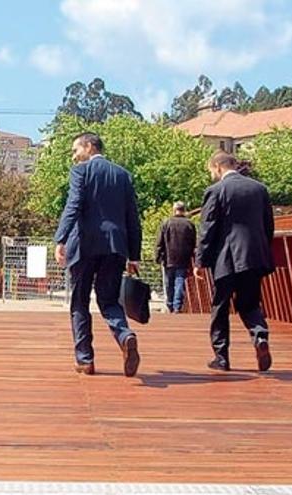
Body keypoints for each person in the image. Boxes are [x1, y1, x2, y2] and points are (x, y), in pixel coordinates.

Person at [54, 132, 142, 377]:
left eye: (75, 150)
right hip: (116, 246)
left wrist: (60, 239)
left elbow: (74, 204)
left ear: (89, 146)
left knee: (80, 301)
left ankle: (85, 359)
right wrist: (133, 255)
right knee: (109, 300)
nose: (74, 156)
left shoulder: (81, 172)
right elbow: (132, 218)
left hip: (84, 245)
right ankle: (125, 335)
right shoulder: (123, 175)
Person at [194, 151, 274, 372]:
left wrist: (200, 260)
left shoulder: (216, 190)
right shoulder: (259, 189)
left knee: (220, 306)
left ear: (218, 167)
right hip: (254, 256)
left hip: (226, 258)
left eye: (211, 170)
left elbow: (207, 228)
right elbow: (268, 225)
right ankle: (259, 337)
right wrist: (263, 250)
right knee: (250, 303)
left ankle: (222, 357)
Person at [155, 201, 196, 313]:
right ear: (184, 209)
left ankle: (170, 304)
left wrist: (157, 256)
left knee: (169, 282)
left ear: (174, 210)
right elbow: (194, 243)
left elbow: (159, 242)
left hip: (168, 258)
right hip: (184, 258)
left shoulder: (166, 223)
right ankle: (177, 306)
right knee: (180, 281)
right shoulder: (189, 224)